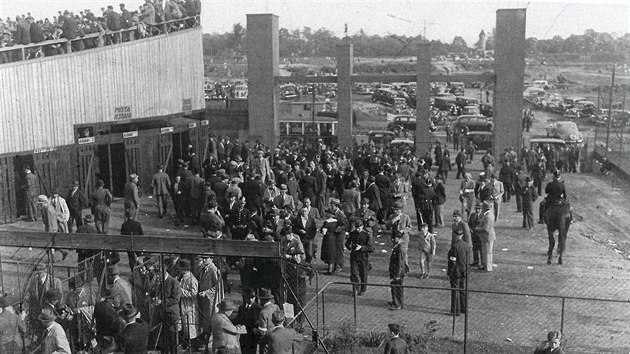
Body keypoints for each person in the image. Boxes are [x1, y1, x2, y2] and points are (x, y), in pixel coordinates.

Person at [345, 218, 374, 295]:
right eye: (357, 228)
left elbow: (371, 248)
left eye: (359, 228)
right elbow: (347, 243)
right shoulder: (352, 234)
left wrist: (362, 247)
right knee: (354, 273)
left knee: (363, 274)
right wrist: (349, 247)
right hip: (354, 256)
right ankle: (355, 289)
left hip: (363, 257)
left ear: (362, 227)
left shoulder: (366, 235)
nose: (358, 229)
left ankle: (363, 289)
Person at [197, 255, 220, 347]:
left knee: (211, 318)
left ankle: (212, 340)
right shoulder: (203, 268)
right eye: (203, 258)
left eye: (206, 258)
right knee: (205, 319)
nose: (204, 260)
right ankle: (206, 336)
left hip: (211, 300)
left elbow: (217, 287)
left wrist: (206, 292)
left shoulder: (214, 270)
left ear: (212, 259)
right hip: (204, 300)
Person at [448, 229, 469, 316]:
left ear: (455, 235)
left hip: (456, 272)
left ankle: (455, 310)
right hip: (464, 270)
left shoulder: (454, 246)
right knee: (463, 290)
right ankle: (464, 308)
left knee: (455, 291)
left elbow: (452, 262)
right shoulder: (466, 245)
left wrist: (450, 273)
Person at [178, 259, 199, 347]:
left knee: (191, 325)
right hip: (184, 304)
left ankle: (192, 344)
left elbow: (194, 293)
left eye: (181, 269)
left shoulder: (192, 280)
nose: (179, 270)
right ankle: (187, 342)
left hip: (190, 305)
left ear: (185, 270)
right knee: (185, 325)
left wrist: (180, 291)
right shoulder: (183, 278)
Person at [234, 289, 262, 354]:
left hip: (252, 337)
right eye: (248, 298)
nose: (250, 300)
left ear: (255, 298)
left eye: (252, 298)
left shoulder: (259, 309)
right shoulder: (241, 308)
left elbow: (260, 322)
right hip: (243, 336)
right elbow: (238, 319)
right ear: (245, 298)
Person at [386, 201, 412, 266]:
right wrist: (393, 220)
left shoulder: (406, 217)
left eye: (397, 210)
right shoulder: (392, 216)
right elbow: (387, 226)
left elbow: (409, 227)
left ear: (401, 210)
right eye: (394, 210)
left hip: (404, 238)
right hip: (395, 237)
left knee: (404, 253)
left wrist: (403, 230)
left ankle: (405, 268)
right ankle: (397, 268)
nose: (395, 211)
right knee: (396, 253)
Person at [388, 233, 407, 310]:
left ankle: (398, 303)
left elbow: (400, 262)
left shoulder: (400, 248)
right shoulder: (397, 246)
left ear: (399, 238)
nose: (393, 239)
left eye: (395, 238)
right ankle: (395, 301)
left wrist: (398, 274)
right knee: (393, 286)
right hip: (394, 270)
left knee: (397, 287)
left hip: (397, 271)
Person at [475, 201, 496, 271]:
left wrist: (477, 228)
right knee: (485, 252)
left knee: (487, 252)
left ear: (484, 209)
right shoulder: (488, 215)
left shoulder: (488, 217)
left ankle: (488, 267)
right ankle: (485, 265)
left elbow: (486, 229)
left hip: (487, 236)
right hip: (485, 236)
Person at [467, 202, 484, 267]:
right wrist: (470, 229)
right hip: (473, 235)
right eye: (476, 209)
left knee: (481, 249)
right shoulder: (472, 215)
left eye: (479, 209)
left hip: (480, 235)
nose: (477, 210)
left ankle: (482, 262)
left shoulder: (483, 216)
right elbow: (469, 223)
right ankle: (476, 261)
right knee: (475, 249)